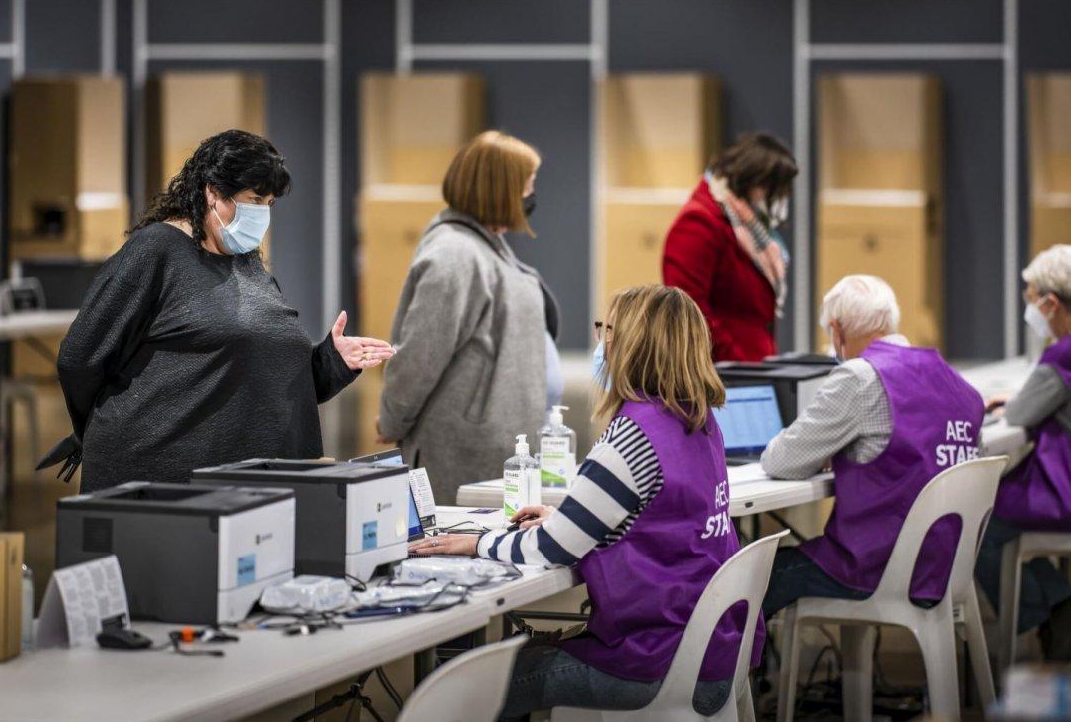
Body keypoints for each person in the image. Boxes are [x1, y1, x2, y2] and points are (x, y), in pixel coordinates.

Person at [410, 284, 762, 719]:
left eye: (607, 330)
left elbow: (553, 548)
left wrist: (477, 543)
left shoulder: (633, 437)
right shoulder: (700, 422)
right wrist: (570, 518)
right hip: (711, 654)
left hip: (656, 663)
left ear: (635, 344)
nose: (602, 342)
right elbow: (663, 518)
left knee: (476, 684)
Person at [45, 130, 394, 492]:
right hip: (162, 478)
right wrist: (99, 424)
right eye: (254, 199)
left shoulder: (246, 262)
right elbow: (79, 358)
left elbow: (266, 375)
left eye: (269, 203)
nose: (262, 213)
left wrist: (331, 361)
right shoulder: (155, 250)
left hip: (244, 482)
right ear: (212, 192)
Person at [758, 275, 984, 616]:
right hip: (945, 568)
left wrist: (826, 449)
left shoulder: (859, 377)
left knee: (756, 575)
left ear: (837, 330)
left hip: (875, 570)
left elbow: (780, 461)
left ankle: (747, 654)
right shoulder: (954, 381)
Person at [376, 131, 561, 504]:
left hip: (491, 451)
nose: (531, 195)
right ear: (499, 190)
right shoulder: (454, 255)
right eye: (526, 185)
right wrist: (392, 420)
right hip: (460, 455)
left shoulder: (485, 243)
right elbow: (419, 356)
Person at [974, 245, 1071, 659]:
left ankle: (1048, 610)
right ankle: (1058, 602)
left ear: (1051, 303)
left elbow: (1021, 414)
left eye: (1032, 300)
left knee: (975, 521)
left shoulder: (1062, 353)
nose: (1030, 310)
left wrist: (1012, 403)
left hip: (1063, 490)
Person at [662, 132, 797, 362]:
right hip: (724, 369)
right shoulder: (698, 223)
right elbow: (689, 310)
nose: (776, 198)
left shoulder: (746, 223)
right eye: (772, 189)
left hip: (750, 364)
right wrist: (734, 359)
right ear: (752, 179)